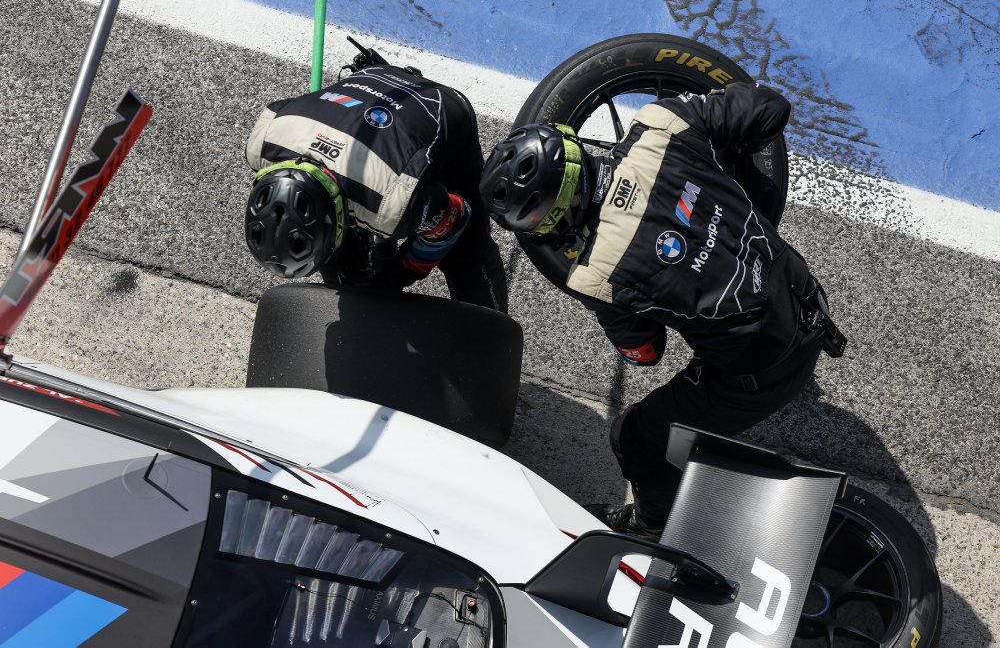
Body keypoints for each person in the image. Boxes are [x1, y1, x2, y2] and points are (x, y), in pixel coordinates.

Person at [479, 82, 846, 539]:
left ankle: (651, 527)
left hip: (767, 371)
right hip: (805, 292)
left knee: (634, 438)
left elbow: (648, 353)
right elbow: (771, 107)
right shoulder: (663, 123)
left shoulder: (596, 274)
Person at [243, 55, 507, 313]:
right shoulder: (261, 142)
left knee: (468, 254)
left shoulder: (391, 204)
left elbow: (456, 217)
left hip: (441, 107)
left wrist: (401, 271)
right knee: (342, 250)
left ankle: (488, 331)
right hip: (371, 80)